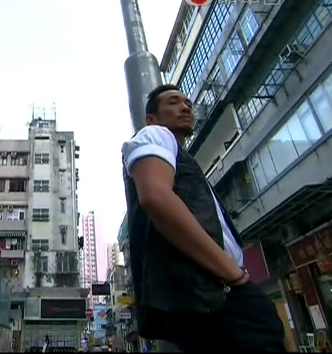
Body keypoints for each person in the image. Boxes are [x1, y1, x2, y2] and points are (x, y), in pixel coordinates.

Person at [121, 85, 286, 352]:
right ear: (151, 119)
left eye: (187, 103)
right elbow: (156, 197)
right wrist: (234, 276)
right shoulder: (156, 135)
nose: (185, 107)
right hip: (215, 291)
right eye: (173, 102)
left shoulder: (181, 159)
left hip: (218, 289)